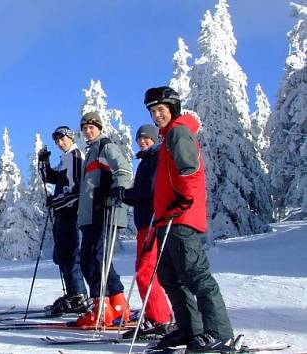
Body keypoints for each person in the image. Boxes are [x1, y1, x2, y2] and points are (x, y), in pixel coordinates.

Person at [144, 86, 234, 351]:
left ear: (172, 108)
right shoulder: (168, 137)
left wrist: (184, 200)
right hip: (165, 218)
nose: (157, 115)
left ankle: (220, 334)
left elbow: (190, 170)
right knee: (171, 278)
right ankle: (189, 329)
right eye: (153, 111)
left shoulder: (179, 132)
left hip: (180, 218)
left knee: (196, 276)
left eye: (161, 110)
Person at [74, 111, 133, 327]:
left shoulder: (106, 146)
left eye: (91, 127)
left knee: (95, 258)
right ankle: (116, 305)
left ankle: (106, 308)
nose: (88, 131)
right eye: (85, 128)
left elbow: (125, 170)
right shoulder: (91, 152)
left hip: (104, 212)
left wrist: (116, 190)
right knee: (93, 258)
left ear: (99, 128)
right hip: (90, 216)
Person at [120, 124, 172, 338]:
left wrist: (125, 194)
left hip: (152, 220)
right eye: (139, 138)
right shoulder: (146, 159)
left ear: (154, 138)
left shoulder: (156, 157)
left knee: (146, 271)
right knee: (143, 270)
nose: (142, 141)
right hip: (145, 222)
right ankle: (155, 315)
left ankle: (159, 318)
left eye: (146, 138)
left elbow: (150, 189)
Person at [37, 126, 89, 316]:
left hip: (71, 212)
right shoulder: (65, 157)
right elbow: (49, 177)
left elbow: (76, 190)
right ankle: (72, 293)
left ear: (70, 137)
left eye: (62, 139)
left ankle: (79, 294)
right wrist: (44, 161)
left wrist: (56, 200)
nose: (60, 143)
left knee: (70, 253)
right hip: (62, 212)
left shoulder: (75, 156)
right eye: (57, 140)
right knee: (62, 255)